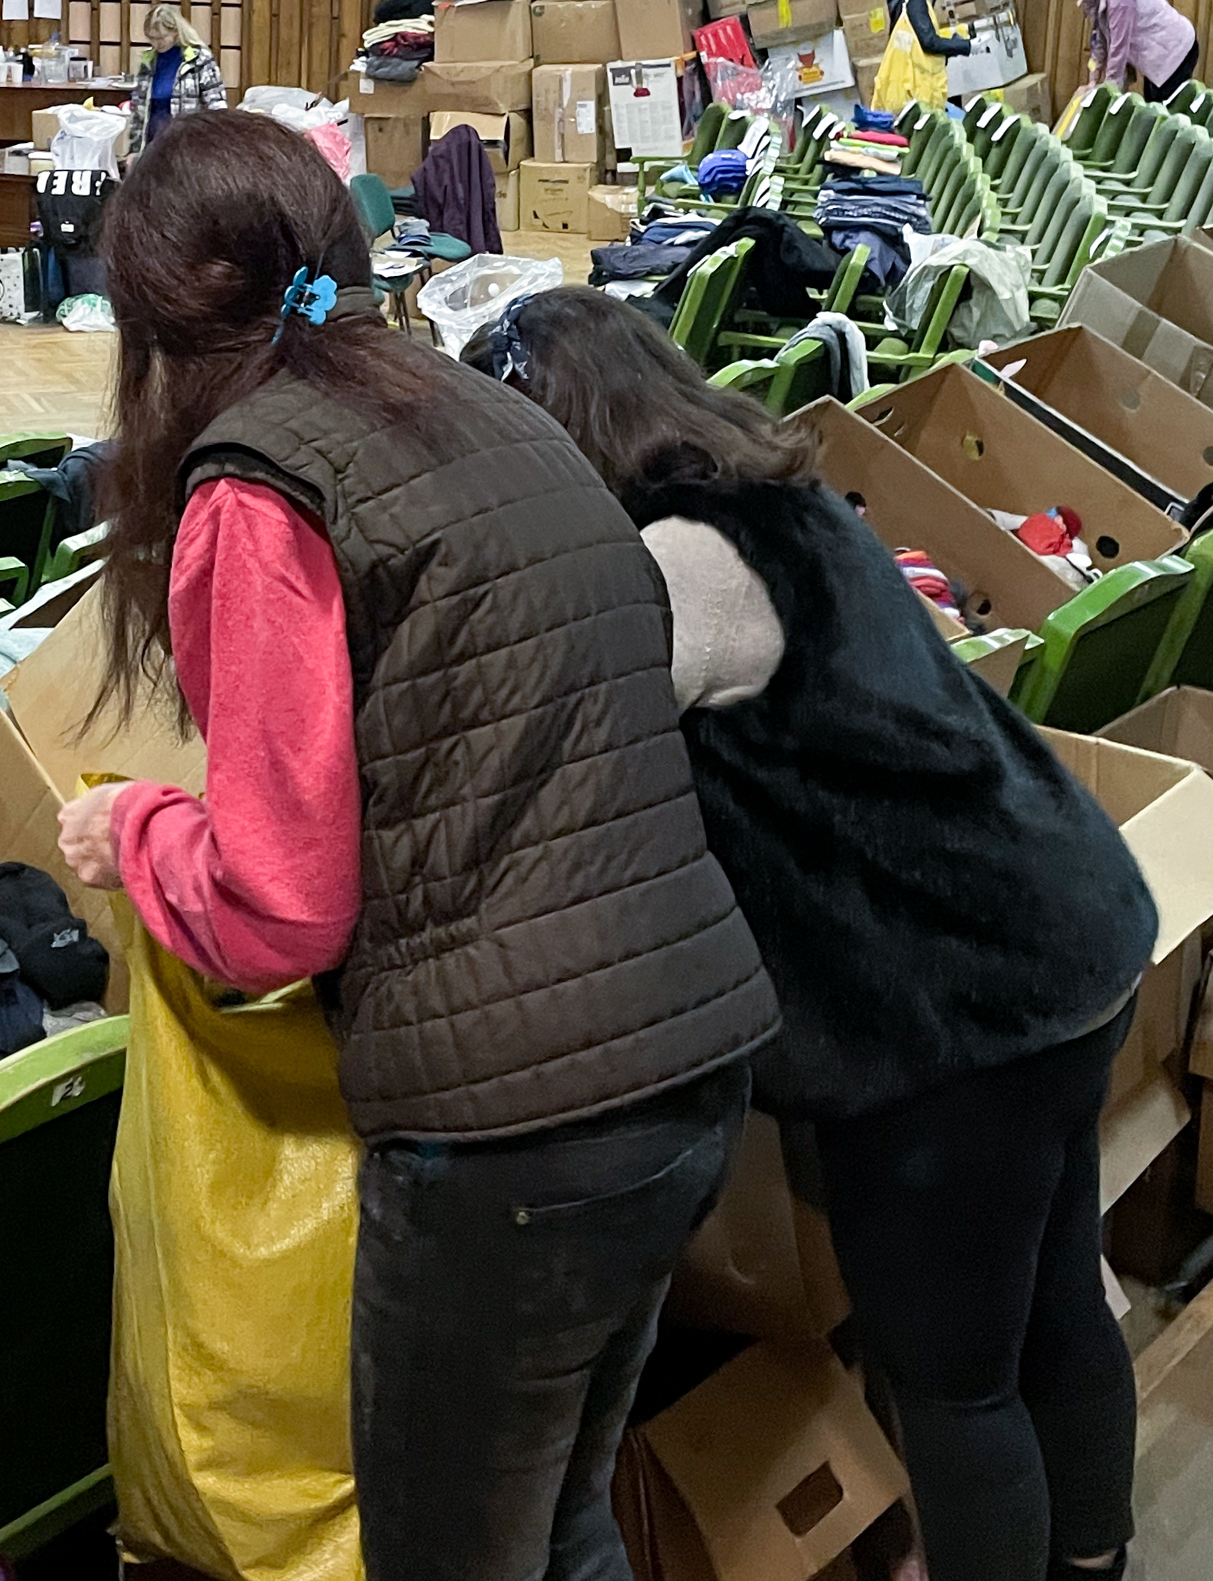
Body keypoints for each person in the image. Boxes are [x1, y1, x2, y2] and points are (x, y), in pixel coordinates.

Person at [50, 112, 777, 1581]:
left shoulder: (258, 485)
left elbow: (278, 908)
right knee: (564, 1522)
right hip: (687, 1060)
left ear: (150, 320)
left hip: (515, 1133)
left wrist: (132, 829)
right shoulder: (475, 410)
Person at [468, 285, 1159, 1581]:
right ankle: (1093, 1561)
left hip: (953, 1020)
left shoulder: (674, 567)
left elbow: (546, 739)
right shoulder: (774, 503)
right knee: (1057, 1296)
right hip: (1066, 934)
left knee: (951, 1377)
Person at [1074, 0, 1200, 94]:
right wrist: (1092, 80)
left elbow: (1119, 45)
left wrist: (1110, 87)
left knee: (1164, 104)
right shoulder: (1099, 0)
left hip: (1176, 48)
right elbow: (1099, 43)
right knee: (1153, 102)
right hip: (1157, 54)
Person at [869, 0, 977, 113]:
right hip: (914, 86)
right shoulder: (917, 0)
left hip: (900, 80)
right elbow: (928, 42)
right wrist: (965, 46)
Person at [119, 3, 227, 161]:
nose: (156, 44)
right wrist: (134, 149)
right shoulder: (149, 62)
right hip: (153, 143)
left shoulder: (198, 59)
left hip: (188, 145)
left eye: (161, 38)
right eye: (152, 39)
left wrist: (215, 145)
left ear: (176, 32)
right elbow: (139, 110)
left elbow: (216, 105)